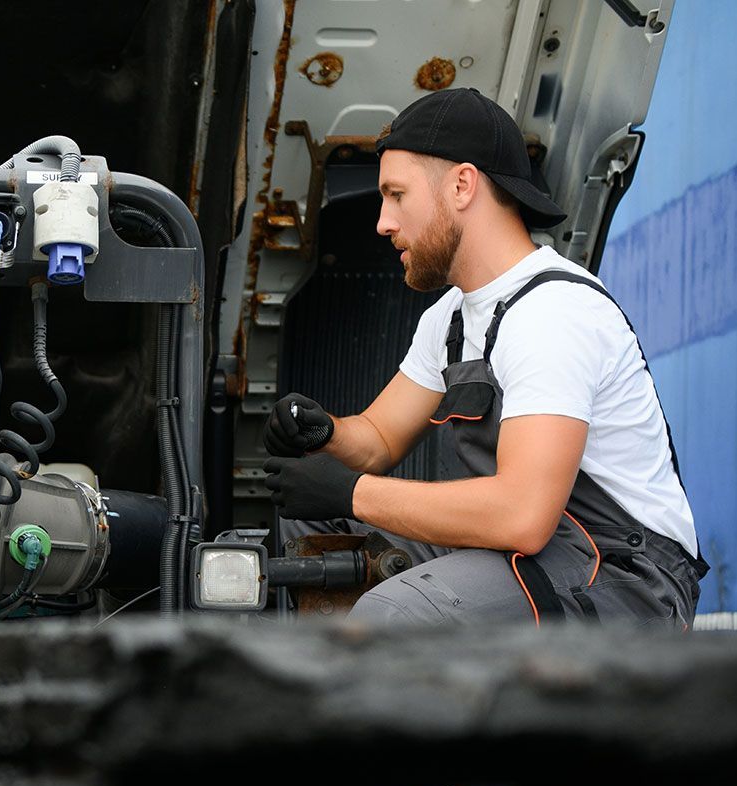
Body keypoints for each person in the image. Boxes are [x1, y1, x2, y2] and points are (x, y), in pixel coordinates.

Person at [263, 87, 705, 627]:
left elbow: (523, 514)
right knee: (313, 531)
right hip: (536, 551)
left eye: (396, 195)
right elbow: (378, 440)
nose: (382, 221)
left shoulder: (552, 312)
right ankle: (331, 695)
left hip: (624, 576)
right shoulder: (450, 318)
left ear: (462, 185)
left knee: (392, 615)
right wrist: (324, 434)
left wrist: (354, 491)